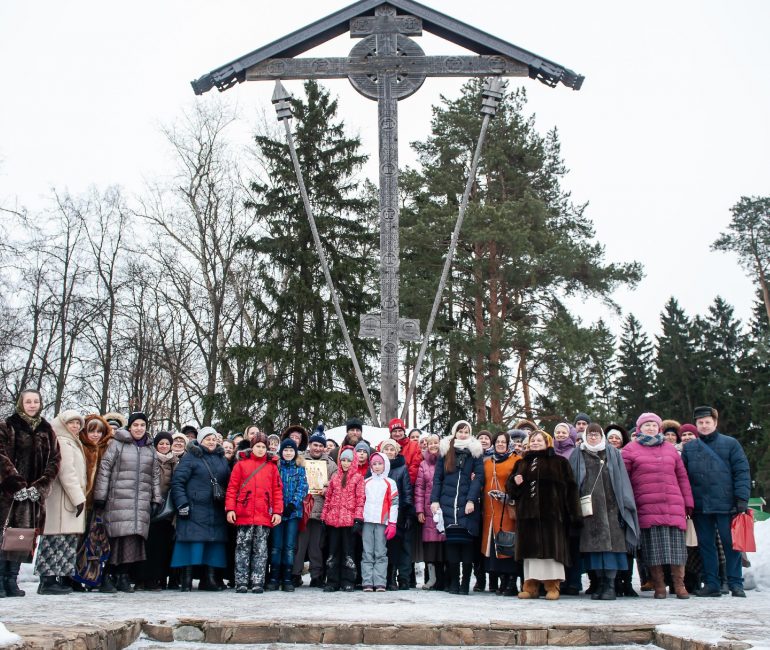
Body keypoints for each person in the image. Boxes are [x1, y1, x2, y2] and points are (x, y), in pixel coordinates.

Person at [622, 412, 693, 599]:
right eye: (647, 425)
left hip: (673, 505)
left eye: (654, 425)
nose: (651, 428)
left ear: (659, 427)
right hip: (647, 506)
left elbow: (682, 477)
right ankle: (659, 585)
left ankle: (679, 585)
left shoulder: (670, 449)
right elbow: (625, 480)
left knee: (677, 549)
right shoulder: (630, 449)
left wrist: (688, 502)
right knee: (653, 550)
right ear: (640, 428)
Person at [681, 405, 750, 598]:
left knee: (731, 544)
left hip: (727, 504)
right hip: (701, 504)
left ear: (715, 423)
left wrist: (741, 499)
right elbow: (684, 478)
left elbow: (742, 472)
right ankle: (711, 583)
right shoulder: (690, 448)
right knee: (706, 545)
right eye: (700, 422)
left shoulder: (731, 444)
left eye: (707, 422)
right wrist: (688, 503)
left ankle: (736, 583)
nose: (704, 426)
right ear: (696, 424)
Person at [506, 430, 581, 601]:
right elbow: (511, 491)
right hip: (528, 516)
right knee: (530, 555)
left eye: (539, 440)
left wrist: (574, 515)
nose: (535, 443)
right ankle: (530, 587)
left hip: (552, 515)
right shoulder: (522, 463)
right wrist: (514, 484)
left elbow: (571, 489)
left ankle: (552, 587)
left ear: (547, 442)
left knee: (552, 554)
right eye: (533, 440)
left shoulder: (560, 462)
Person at [0, 389, 61, 598]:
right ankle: (0, 580)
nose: (32, 405)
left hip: (32, 496)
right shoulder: (8, 425)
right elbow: (1, 456)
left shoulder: (47, 429)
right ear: (21, 403)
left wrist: (40, 486)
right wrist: (16, 484)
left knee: (21, 537)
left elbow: (55, 460)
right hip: (9, 494)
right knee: (4, 535)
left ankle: (11, 579)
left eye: (36, 401)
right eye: (28, 401)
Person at [93, 411, 161, 593]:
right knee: (116, 539)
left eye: (142, 425)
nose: (139, 428)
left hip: (141, 502)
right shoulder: (117, 444)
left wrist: (156, 499)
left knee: (133, 541)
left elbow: (155, 476)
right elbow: (105, 469)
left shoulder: (149, 449)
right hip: (118, 500)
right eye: (136, 425)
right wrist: (100, 496)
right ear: (129, 427)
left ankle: (123, 576)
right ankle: (106, 576)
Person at [569, 424, 639, 600]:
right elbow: (573, 480)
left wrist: (625, 505)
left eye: (596, 434)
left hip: (611, 507)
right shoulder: (578, 453)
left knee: (611, 548)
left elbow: (621, 479)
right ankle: (599, 583)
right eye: (590, 434)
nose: (593, 438)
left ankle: (610, 585)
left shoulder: (612, 453)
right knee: (593, 549)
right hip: (589, 509)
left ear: (602, 436)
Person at [34, 410, 86, 595]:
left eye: (78, 423)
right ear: (63, 424)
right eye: (71, 423)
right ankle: (47, 580)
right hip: (62, 500)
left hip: (68, 500)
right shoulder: (63, 442)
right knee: (53, 540)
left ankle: (59, 578)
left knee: (65, 541)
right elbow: (67, 473)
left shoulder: (72, 441)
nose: (75, 426)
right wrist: (79, 498)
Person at [430, 420, 484, 595]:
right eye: (460, 431)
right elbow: (437, 478)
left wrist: (471, 500)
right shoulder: (446, 452)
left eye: (466, 431)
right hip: (448, 504)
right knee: (452, 545)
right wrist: (434, 500)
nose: (463, 434)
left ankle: (465, 584)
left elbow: (479, 478)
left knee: (467, 546)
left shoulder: (475, 453)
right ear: (455, 433)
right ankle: (454, 583)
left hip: (467, 506)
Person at [226, 432, 283, 593]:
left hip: (263, 514)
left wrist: (277, 512)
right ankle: (241, 581)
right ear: (252, 447)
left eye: (263, 447)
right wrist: (230, 508)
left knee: (261, 550)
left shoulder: (272, 467)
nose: (260, 449)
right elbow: (232, 489)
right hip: (243, 513)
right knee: (242, 548)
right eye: (257, 446)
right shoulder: (241, 465)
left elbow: (277, 491)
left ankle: (258, 581)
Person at [291, 429, 336, 587]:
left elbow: (336, 483)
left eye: (320, 446)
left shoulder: (330, 464)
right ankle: (295, 573)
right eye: (315, 444)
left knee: (316, 545)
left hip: (320, 510)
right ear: (309, 445)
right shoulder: (300, 459)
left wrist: (328, 487)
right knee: (299, 545)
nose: (317, 448)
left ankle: (317, 575)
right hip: (303, 509)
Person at [481, 431, 521, 597]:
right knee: (494, 547)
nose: (500, 444)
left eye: (503, 442)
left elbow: (519, 483)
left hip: (507, 509)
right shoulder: (487, 462)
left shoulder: (516, 460)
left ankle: (511, 582)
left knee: (508, 544)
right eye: (498, 442)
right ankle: (500, 581)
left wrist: (509, 496)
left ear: (508, 444)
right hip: (490, 510)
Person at [321, 446, 364, 592]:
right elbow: (328, 499)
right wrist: (324, 517)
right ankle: (332, 580)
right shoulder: (334, 478)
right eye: (343, 460)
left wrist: (358, 518)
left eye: (348, 460)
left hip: (349, 521)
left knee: (348, 552)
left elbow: (360, 500)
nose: (346, 463)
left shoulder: (358, 478)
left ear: (353, 462)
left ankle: (348, 580)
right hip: (333, 521)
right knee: (333, 552)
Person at [267, 438, 308, 591]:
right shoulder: (276, 467)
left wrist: (293, 504)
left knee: (289, 546)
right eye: (286, 450)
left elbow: (303, 487)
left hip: (292, 512)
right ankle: (274, 576)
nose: (289, 453)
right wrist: (276, 507)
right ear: (281, 452)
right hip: (276, 512)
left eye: (291, 450)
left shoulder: (300, 468)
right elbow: (271, 487)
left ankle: (287, 577)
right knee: (276, 546)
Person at [139, 431, 178, 591]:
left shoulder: (175, 462)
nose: (164, 446)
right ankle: (142, 578)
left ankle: (157, 578)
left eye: (167, 444)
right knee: (147, 545)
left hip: (167, 510)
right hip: (149, 505)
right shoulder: (149, 459)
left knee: (162, 547)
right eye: (161, 443)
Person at [379, 438, 414, 590]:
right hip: (380, 513)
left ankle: (397, 577)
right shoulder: (376, 466)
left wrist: (407, 514)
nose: (389, 452)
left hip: (397, 513)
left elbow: (406, 492)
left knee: (396, 546)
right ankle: (385, 576)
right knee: (382, 546)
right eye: (386, 449)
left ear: (396, 451)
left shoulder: (402, 468)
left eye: (391, 449)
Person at [361, 452, 399, 592]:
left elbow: (394, 504)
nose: (377, 467)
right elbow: (361, 502)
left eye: (380, 464)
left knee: (381, 552)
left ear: (385, 465)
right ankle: (367, 582)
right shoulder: (366, 482)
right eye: (374, 464)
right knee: (367, 552)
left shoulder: (390, 483)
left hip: (382, 522)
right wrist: (359, 521)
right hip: (367, 521)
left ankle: (380, 582)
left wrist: (392, 523)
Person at [414, 433, 445, 590]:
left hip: (444, 510)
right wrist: (419, 510)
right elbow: (419, 489)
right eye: (430, 443)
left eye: (436, 442)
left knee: (444, 547)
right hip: (428, 511)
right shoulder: (423, 465)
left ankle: (444, 579)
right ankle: (431, 578)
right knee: (431, 547)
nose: (433, 445)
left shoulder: (447, 461)